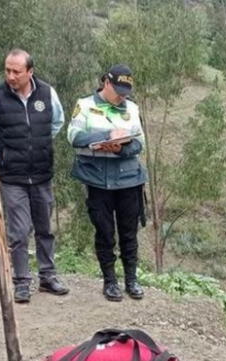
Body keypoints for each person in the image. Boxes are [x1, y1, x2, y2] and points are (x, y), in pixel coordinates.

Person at [0, 49, 68, 303]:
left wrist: (37, 144)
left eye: (16, 71)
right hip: (13, 177)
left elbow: (57, 122)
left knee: (45, 228)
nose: (10, 76)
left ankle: (48, 276)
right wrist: (7, 153)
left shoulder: (47, 93)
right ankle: (21, 281)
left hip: (42, 173)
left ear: (30, 72)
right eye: (7, 70)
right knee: (19, 232)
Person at [67, 64, 147, 302]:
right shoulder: (85, 105)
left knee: (129, 232)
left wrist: (121, 147)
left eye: (126, 91)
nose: (122, 95)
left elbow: (139, 143)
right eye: (118, 90)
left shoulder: (132, 108)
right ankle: (110, 281)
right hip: (97, 180)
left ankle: (131, 280)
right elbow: (74, 136)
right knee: (104, 232)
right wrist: (105, 138)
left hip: (128, 179)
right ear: (106, 83)